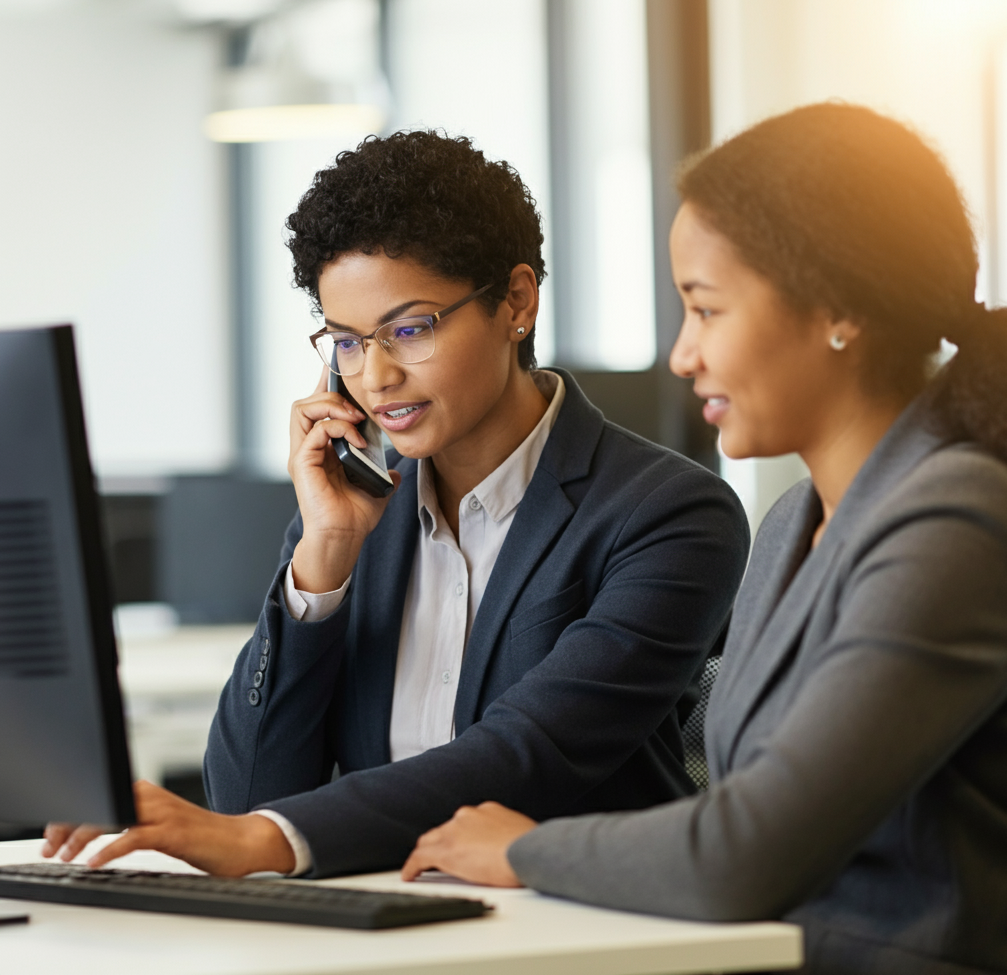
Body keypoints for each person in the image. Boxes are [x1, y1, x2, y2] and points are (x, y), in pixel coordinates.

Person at [400, 105, 1007, 975]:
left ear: (839, 307)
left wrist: (524, 851)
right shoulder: (790, 524)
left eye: (706, 309)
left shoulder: (958, 521)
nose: (682, 356)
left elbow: (745, 852)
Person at [44, 130, 748, 878]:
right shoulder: (356, 516)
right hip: (382, 930)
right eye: (345, 342)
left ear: (515, 301)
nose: (374, 378)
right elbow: (250, 791)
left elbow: (527, 754)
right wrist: (321, 565)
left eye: (407, 330)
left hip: (567, 936)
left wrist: (269, 838)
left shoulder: (670, 515)